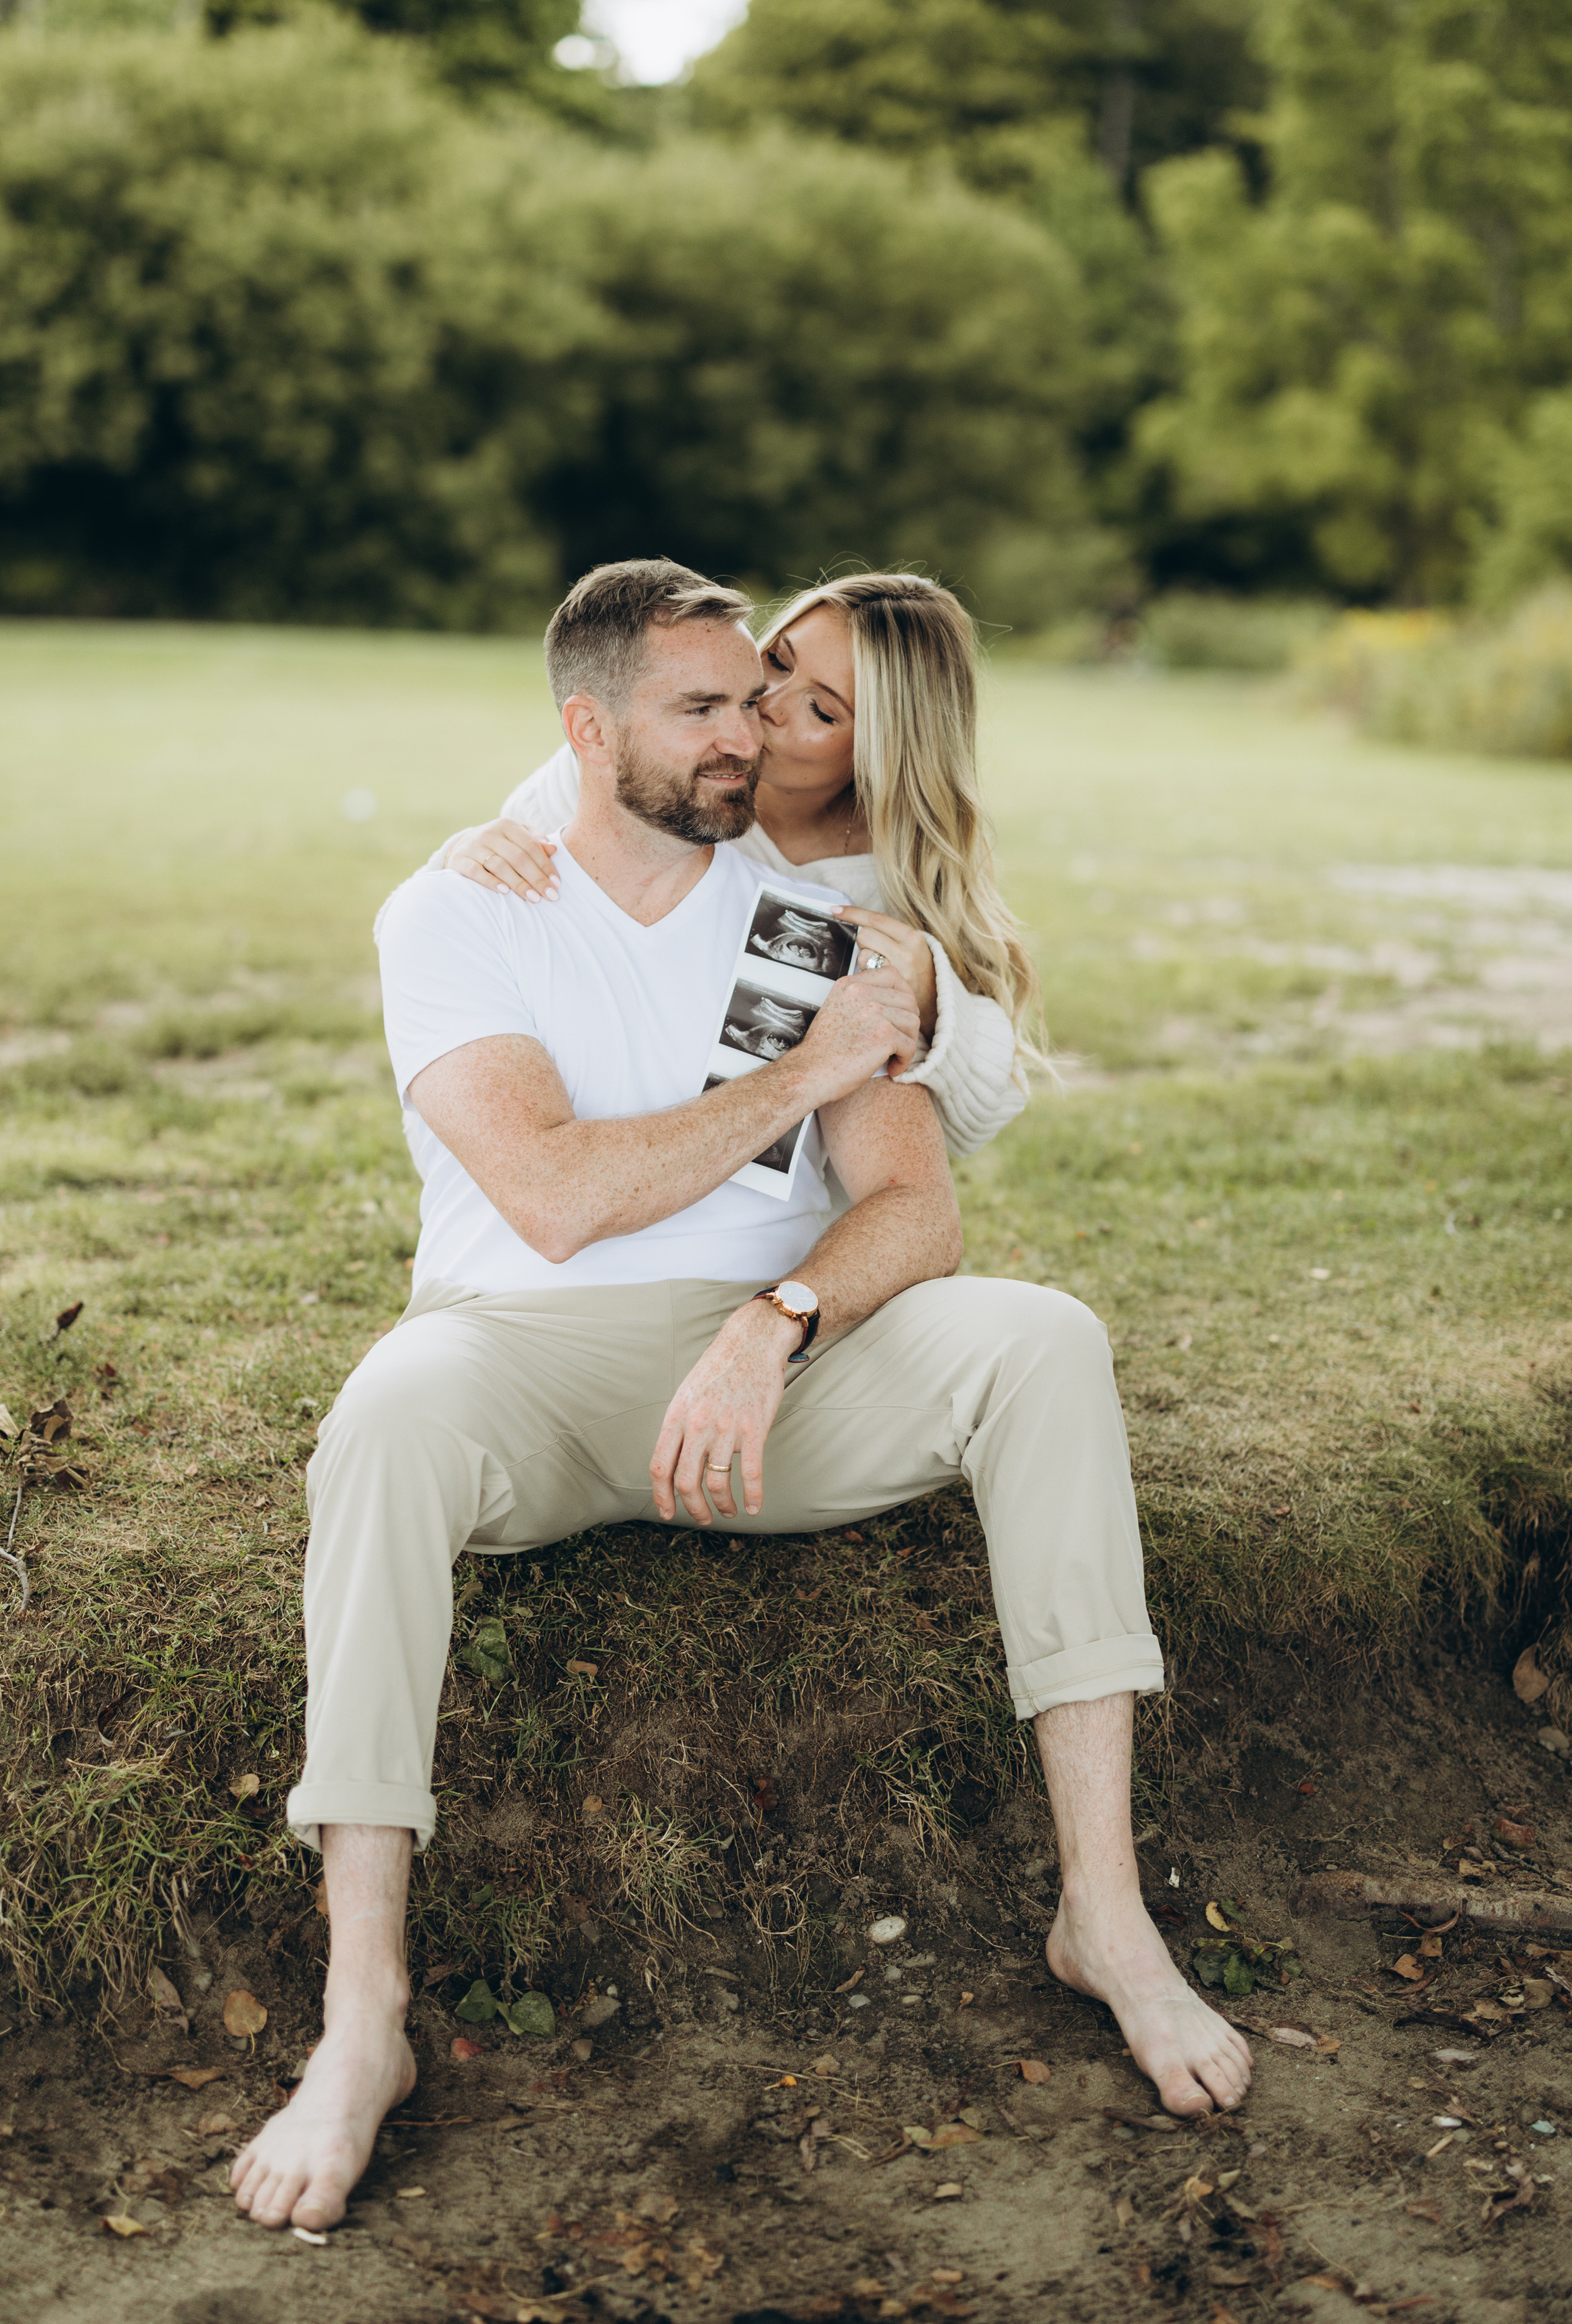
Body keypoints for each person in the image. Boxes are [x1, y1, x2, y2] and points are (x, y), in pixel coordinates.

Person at [230, 559, 1252, 2238]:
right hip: (528, 1363)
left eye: (772, 703)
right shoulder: (463, 900)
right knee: (391, 1409)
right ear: (591, 727)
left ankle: (1105, 1914)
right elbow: (548, 1196)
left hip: (772, 1380)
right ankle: (362, 2017)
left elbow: (917, 1209)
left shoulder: (824, 926)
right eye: (711, 702)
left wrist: (772, 1313)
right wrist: (798, 1074)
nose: (750, 730)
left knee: (1043, 1335)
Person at [431, 573, 1039, 1164]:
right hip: (600, 1150)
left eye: (822, 711)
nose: (765, 705)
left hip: (777, 1206)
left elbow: (979, 1118)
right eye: (777, 662)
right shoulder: (635, 771)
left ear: (880, 750)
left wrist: (933, 999)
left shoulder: (886, 881)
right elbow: (478, 912)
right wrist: (468, 850)